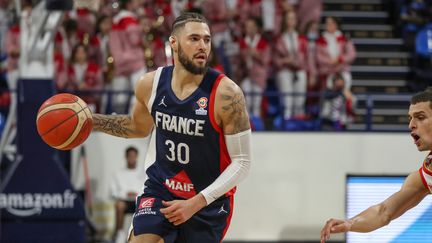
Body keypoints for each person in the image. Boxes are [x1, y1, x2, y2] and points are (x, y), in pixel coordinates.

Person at [91, 12, 252, 243]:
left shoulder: (227, 94)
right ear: (174, 43)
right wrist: (93, 122)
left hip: (206, 201)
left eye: (206, 40)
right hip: (161, 189)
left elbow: (243, 162)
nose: (202, 46)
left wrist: (195, 203)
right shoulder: (150, 84)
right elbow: (138, 127)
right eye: (194, 39)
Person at [320, 87, 432, 242]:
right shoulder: (426, 173)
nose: (411, 125)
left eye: (420, 117)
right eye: (410, 119)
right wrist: (350, 223)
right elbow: (383, 213)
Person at [110, 146, 144, 243]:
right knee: (119, 205)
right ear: (126, 157)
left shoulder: (144, 172)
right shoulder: (118, 173)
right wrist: (125, 194)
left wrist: (136, 193)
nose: (132, 158)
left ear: (137, 157)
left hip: (139, 201)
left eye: (133, 156)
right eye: (130, 156)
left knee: (148, 206)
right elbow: (113, 191)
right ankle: (120, 235)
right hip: (124, 201)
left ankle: (142, 235)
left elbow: (147, 188)